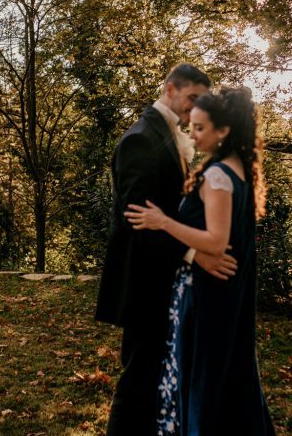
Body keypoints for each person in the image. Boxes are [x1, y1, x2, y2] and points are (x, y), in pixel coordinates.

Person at [96, 64, 239, 436]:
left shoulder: (167, 135)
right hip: (143, 278)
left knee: (156, 373)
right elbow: (137, 221)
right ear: (170, 89)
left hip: (164, 277)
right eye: (192, 99)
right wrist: (195, 254)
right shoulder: (141, 138)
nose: (195, 110)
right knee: (139, 377)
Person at [125, 87, 276, 435]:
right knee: (229, 374)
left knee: (204, 378)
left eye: (200, 128)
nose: (192, 134)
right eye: (191, 126)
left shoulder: (219, 175)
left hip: (208, 294)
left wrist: (163, 221)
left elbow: (216, 241)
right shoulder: (239, 169)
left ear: (223, 131)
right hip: (227, 292)